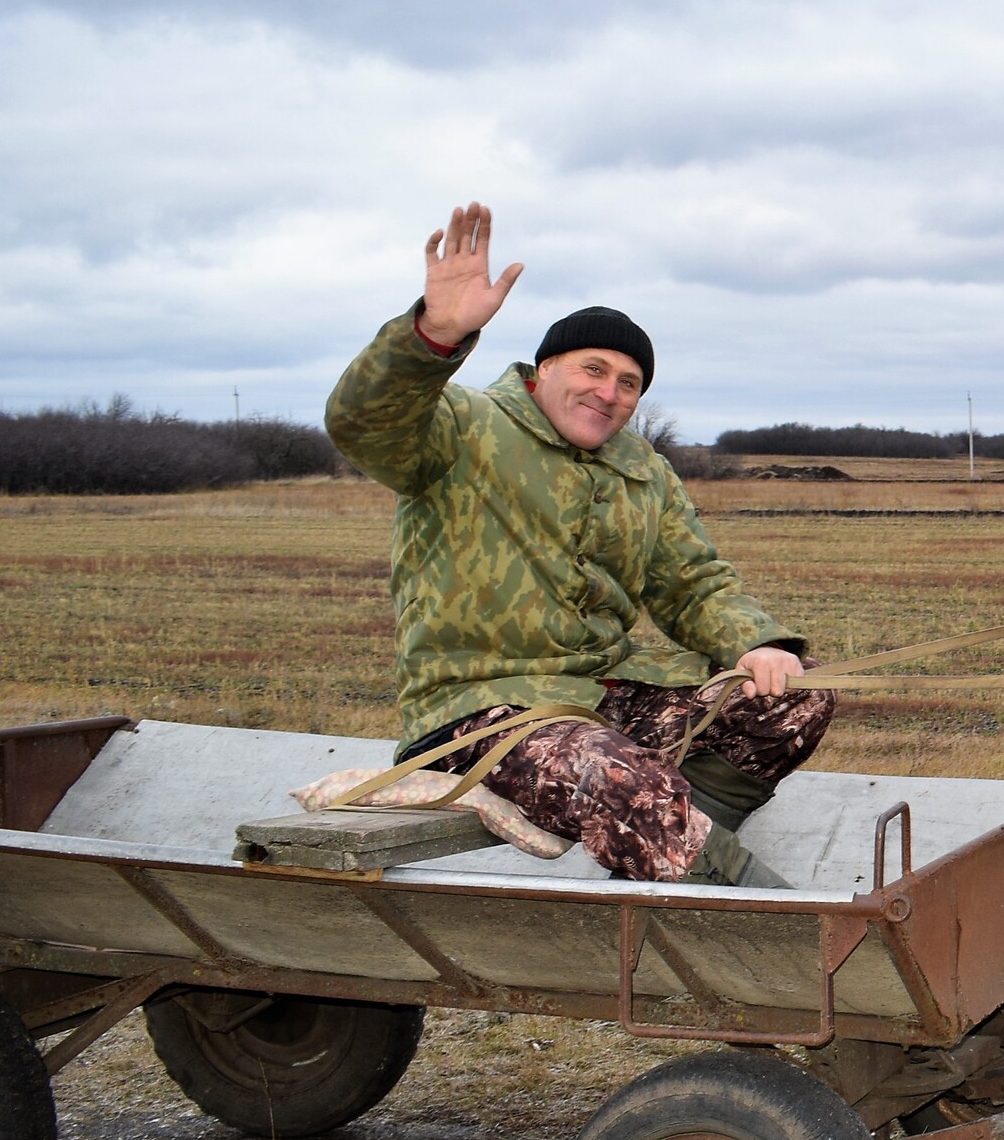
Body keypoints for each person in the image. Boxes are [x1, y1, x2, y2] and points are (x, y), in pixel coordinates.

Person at [325, 202, 829, 886]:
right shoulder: (464, 427)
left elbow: (693, 582)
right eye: (594, 370)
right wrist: (433, 336)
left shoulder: (642, 471)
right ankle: (782, 933)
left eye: (629, 383)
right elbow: (361, 422)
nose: (610, 393)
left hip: (601, 704)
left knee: (794, 700)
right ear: (544, 369)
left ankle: (665, 851)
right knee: (621, 780)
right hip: (481, 715)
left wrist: (757, 644)